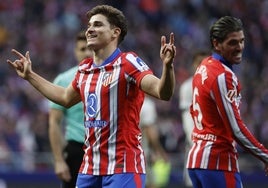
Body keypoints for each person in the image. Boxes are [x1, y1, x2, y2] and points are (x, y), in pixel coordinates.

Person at [7, 4, 176, 188]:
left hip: (123, 166)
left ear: (115, 32)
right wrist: (30, 76)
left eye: (97, 25)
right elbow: (64, 97)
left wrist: (168, 67)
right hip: (89, 167)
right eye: (89, 25)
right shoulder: (85, 69)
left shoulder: (128, 63)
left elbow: (162, 92)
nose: (90, 29)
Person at [186, 16, 268, 188]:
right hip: (218, 162)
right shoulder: (223, 75)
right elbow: (236, 129)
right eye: (232, 43)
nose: (239, 47)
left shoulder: (203, 66)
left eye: (242, 41)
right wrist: (265, 155)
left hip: (197, 161)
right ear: (216, 44)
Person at [48, 31, 92, 188]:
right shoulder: (64, 79)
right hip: (76, 148)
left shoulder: (109, 75)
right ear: (75, 51)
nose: (87, 52)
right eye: (82, 49)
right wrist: (59, 160)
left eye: (90, 48)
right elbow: (54, 121)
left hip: (104, 147)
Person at [179, 51, 208, 187]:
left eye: (205, 61)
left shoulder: (215, 82)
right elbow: (187, 117)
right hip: (196, 145)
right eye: (198, 62)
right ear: (193, 64)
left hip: (213, 145)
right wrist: (195, 141)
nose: (201, 65)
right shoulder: (187, 87)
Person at [139, 95, 170, 188]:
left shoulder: (131, 100)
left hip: (127, 152)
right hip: (142, 153)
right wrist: (160, 152)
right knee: (151, 184)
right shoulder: (147, 105)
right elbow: (150, 132)